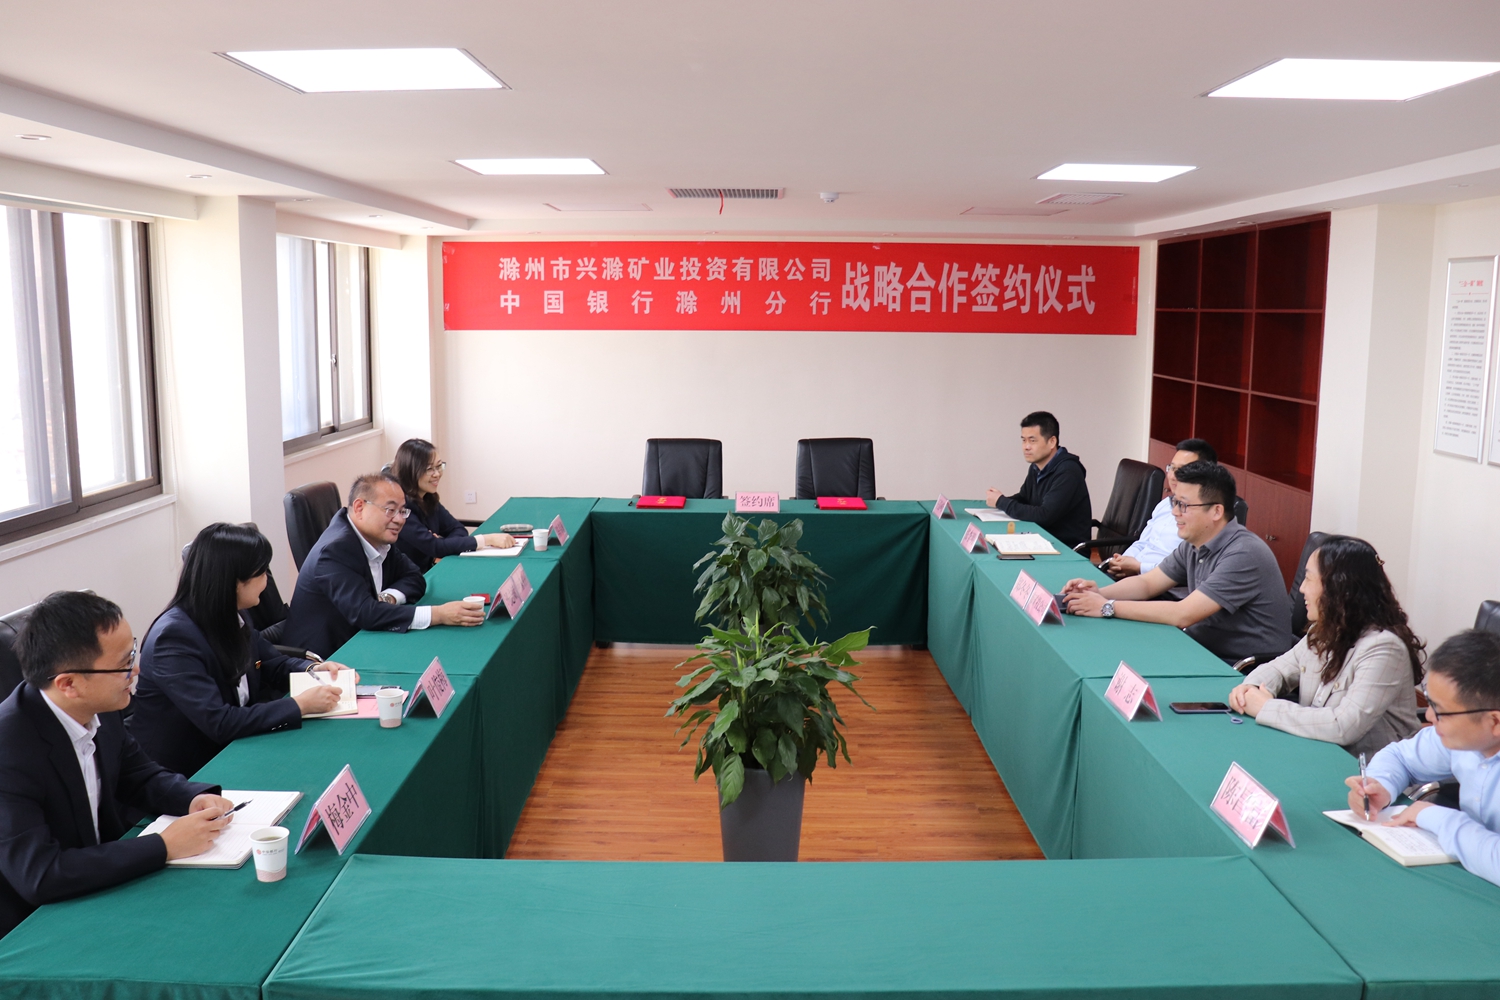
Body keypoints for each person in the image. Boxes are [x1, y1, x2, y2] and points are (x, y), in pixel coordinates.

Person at [0, 592, 232, 938]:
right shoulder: (9, 749)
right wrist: (164, 845)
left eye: (133, 652)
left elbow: (137, 773)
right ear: (69, 684)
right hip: (34, 922)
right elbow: (41, 874)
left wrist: (190, 798)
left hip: (102, 880)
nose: (136, 669)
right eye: (125, 664)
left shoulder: (100, 706)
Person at [128, 523, 356, 777]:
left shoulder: (234, 613)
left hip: (238, 745)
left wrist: (313, 670)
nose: (267, 581)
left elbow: (271, 663)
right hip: (189, 772)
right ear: (233, 580)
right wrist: (299, 705)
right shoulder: (173, 639)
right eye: (262, 572)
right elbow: (219, 722)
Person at [1061, 461, 1293, 664]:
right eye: (1174, 502)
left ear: (1216, 511)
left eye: (1184, 505)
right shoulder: (1195, 542)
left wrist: (1106, 607)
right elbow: (1147, 584)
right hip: (1201, 648)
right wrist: (1099, 593)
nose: (1174, 512)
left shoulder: (1244, 553)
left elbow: (1183, 613)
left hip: (1240, 668)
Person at [1227, 536, 1423, 758]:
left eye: (1309, 579)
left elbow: (1344, 726)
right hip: (1317, 750)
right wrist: (1251, 689)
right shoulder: (1323, 630)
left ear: (1338, 589)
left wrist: (1266, 708)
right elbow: (1279, 669)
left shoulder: (1384, 648)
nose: (1301, 588)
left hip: (1367, 769)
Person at [1346, 629, 1500, 888]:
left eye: (1440, 711)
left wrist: (1437, 817)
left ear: (1494, 722)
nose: (1428, 716)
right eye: (1429, 702)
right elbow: (1400, 756)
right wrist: (1380, 785)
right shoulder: (1467, 737)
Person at [283, 473, 487, 659]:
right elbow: (366, 613)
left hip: (363, 641)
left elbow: (415, 577)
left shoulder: (376, 538)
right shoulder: (334, 550)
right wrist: (438, 614)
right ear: (360, 507)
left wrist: (388, 598)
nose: (399, 520)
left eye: (402, 511)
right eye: (390, 510)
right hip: (323, 662)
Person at [391, 438, 515, 572]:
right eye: (429, 469)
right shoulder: (401, 508)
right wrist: (486, 539)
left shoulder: (428, 497)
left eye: (439, 466)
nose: (437, 474)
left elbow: (458, 529)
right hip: (413, 576)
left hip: (434, 567)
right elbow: (435, 547)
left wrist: (443, 546)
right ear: (410, 472)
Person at [1102, 438, 1216, 580]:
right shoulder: (1164, 504)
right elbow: (1142, 543)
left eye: (1182, 470)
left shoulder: (1204, 518)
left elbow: (1184, 569)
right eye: (1172, 468)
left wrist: (1139, 567)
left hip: (1161, 585)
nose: (1172, 476)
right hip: (1132, 575)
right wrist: (1122, 561)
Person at [984, 410, 1092, 550]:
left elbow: (1044, 515)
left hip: (1065, 548)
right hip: (1041, 540)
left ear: (1052, 442)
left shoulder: (1068, 472)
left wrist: (1001, 502)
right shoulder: (1036, 466)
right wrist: (999, 503)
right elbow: (1024, 497)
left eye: (1032, 440)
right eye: (1023, 440)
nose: (1026, 447)